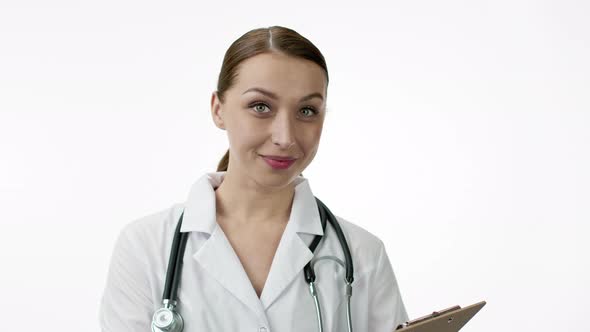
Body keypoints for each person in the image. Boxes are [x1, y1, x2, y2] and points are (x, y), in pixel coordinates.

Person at [98, 25, 409, 332]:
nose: (285, 137)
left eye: (307, 111)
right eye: (261, 107)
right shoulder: (146, 247)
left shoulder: (363, 255)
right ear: (218, 109)